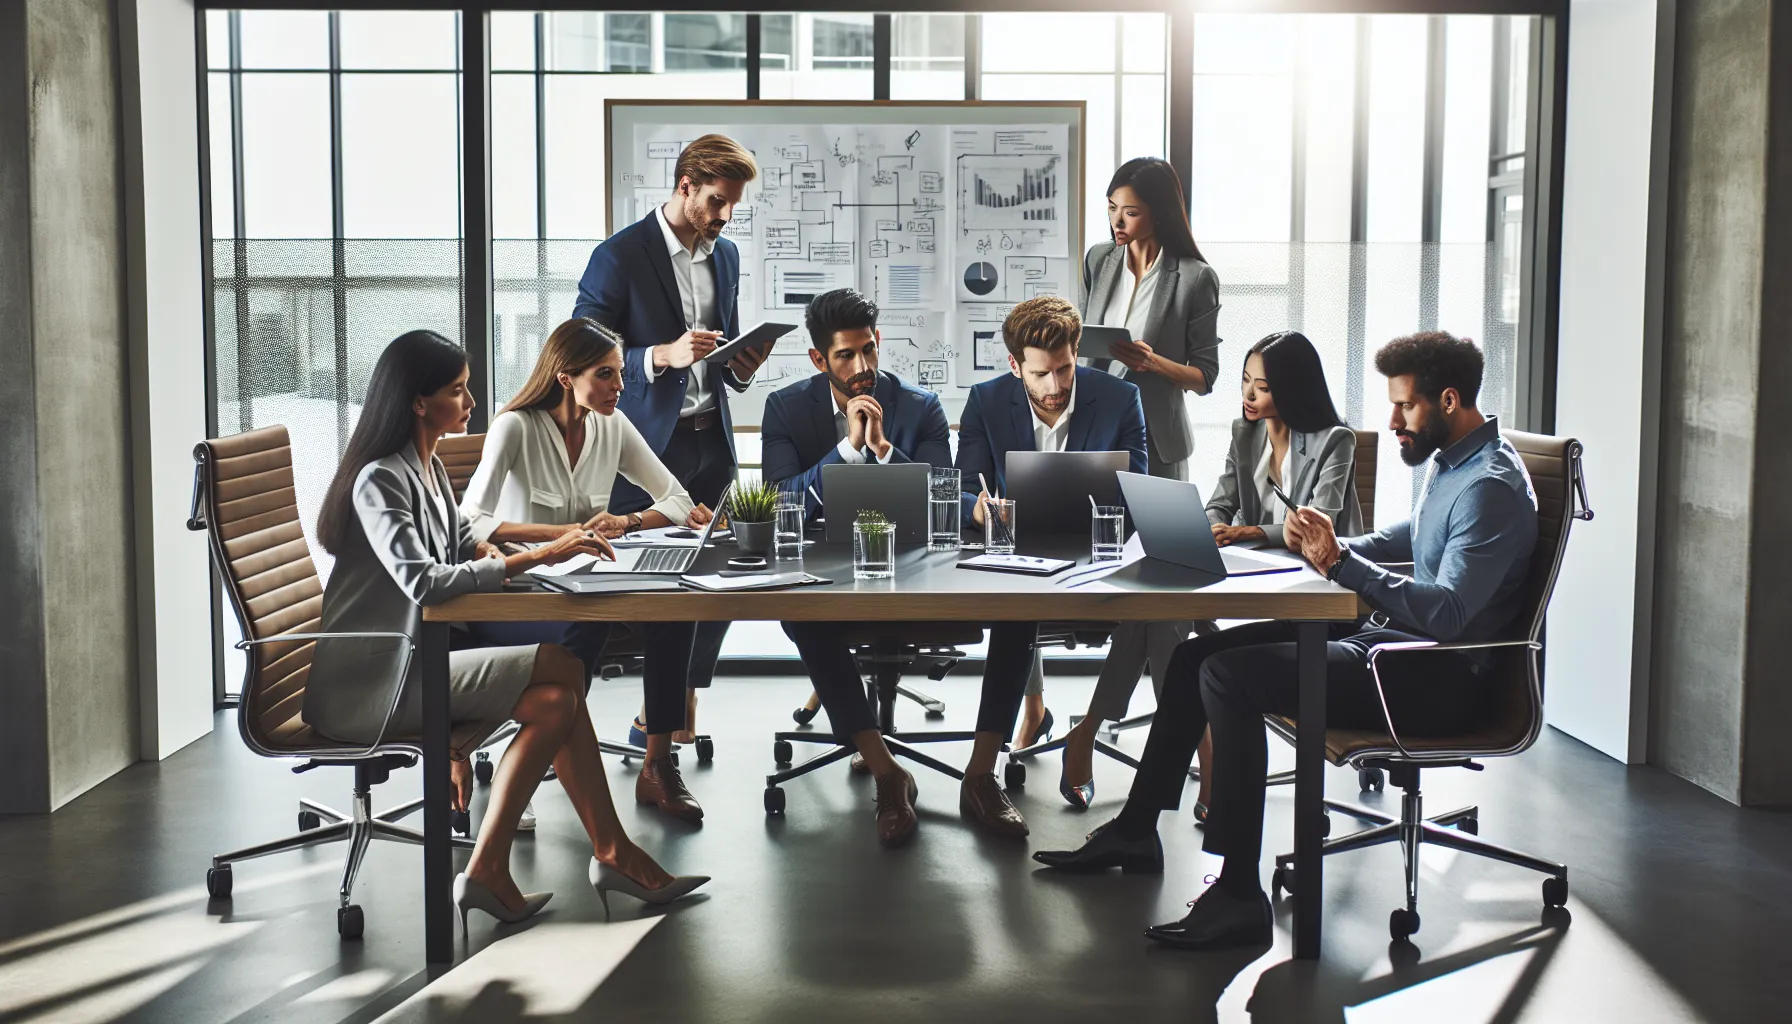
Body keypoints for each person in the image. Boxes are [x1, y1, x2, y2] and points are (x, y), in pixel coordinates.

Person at [1033, 331, 1537, 954]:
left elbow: (1452, 616)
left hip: (1428, 680)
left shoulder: (1488, 486)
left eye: (1404, 406)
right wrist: (1327, 544)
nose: (1393, 420)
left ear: (1450, 400)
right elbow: (1404, 541)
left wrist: (1341, 567)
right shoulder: (1456, 462)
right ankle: (1137, 831)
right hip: (1392, 649)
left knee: (1229, 676)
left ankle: (1240, 895)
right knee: (1197, 658)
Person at [304, 330, 706, 933]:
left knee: (555, 698)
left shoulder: (429, 468)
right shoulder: (380, 480)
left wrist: (559, 539)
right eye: (458, 392)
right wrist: (542, 556)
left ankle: (507, 865)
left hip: (418, 661)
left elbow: (466, 541)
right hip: (376, 682)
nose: (472, 403)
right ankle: (610, 854)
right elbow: (427, 583)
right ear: (418, 401)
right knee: (563, 671)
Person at [1056, 330, 1362, 812]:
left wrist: (1251, 533)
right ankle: (1203, 755)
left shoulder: (1335, 441)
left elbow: (1316, 524)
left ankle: (1091, 732)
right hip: (1251, 575)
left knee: (1164, 619)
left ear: (1293, 389)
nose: (1248, 395)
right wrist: (1211, 529)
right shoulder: (1246, 434)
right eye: (1245, 381)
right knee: (1161, 612)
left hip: (1317, 588)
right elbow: (1219, 502)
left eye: (1261, 386)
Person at [459, 317, 718, 824]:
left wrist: (626, 520)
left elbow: (677, 499)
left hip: (588, 584)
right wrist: (560, 536)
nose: (620, 387)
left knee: (675, 608)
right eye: (606, 375)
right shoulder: (516, 427)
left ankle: (657, 766)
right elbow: (472, 520)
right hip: (524, 589)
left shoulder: (612, 425)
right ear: (565, 377)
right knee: (581, 628)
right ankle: (529, 766)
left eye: (621, 374)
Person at [1015, 157, 1222, 750]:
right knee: (1037, 555)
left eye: (1129, 211)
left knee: (1159, 587)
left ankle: (1179, 732)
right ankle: (1039, 709)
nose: (1117, 222)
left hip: (1158, 439)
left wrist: (1152, 362)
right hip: (1094, 429)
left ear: (1158, 211)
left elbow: (1205, 376)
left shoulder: (1194, 277)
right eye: (1111, 209)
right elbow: (1076, 343)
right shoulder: (1099, 262)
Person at [574, 133, 767, 749]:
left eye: (733, 205)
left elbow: (722, 352)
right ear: (685, 186)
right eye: (716, 201)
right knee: (636, 588)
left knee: (721, 576)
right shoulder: (619, 256)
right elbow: (580, 353)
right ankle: (559, 722)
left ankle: (671, 706)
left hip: (715, 440)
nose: (724, 216)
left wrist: (742, 362)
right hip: (646, 445)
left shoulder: (726, 256)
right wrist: (661, 355)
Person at [763, 289, 953, 734]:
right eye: (846, 355)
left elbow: (946, 500)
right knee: (805, 616)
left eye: (869, 349)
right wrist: (847, 450)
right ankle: (874, 750)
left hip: (908, 565)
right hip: (822, 567)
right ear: (818, 359)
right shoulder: (785, 409)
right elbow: (780, 505)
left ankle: (867, 747)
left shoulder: (921, 407)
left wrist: (884, 451)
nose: (863, 367)